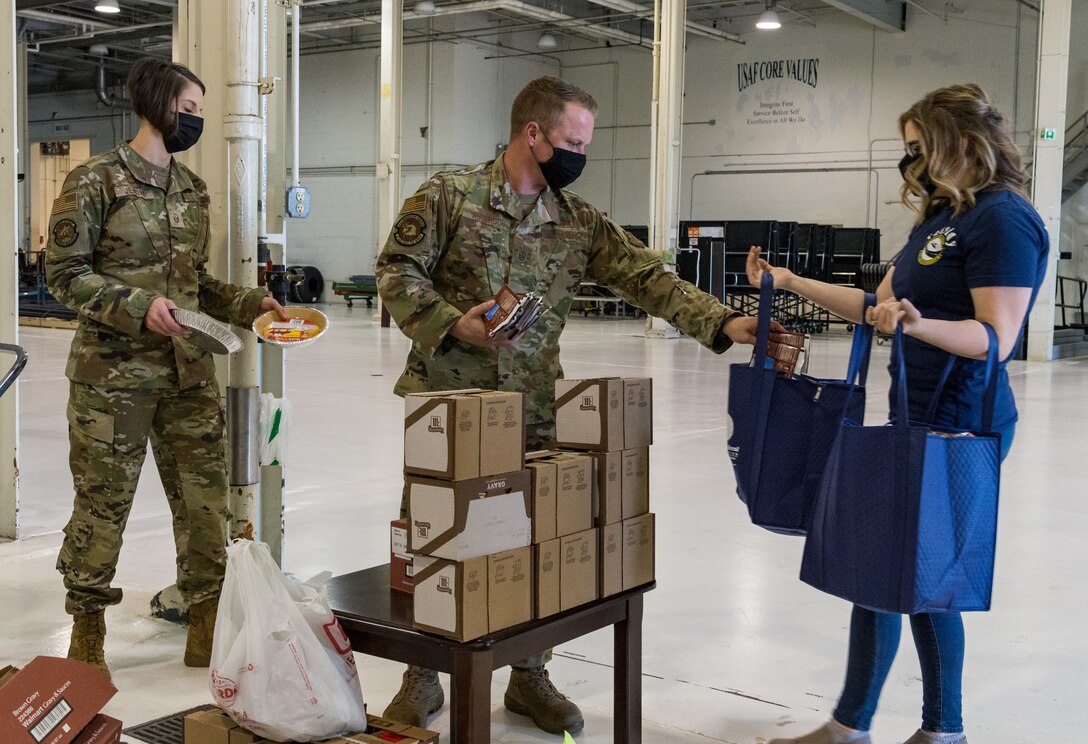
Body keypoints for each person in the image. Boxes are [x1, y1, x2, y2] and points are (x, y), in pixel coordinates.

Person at [376, 75, 766, 734]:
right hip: (450, 402)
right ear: (534, 133)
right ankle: (423, 675)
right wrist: (453, 322)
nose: (580, 155)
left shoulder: (577, 221)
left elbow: (647, 276)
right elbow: (395, 269)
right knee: (433, 536)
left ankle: (529, 676)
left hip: (532, 407)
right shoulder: (449, 196)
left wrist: (722, 323)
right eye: (573, 142)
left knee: (532, 541)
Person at [747, 84, 1048, 744]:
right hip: (910, 414)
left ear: (958, 141)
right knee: (875, 568)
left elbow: (995, 337)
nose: (912, 161)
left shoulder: (1003, 219)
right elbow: (873, 305)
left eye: (920, 146)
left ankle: (944, 731)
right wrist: (792, 283)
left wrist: (916, 325)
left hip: (963, 420)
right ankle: (850, 725)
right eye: (906, 148)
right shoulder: (937, 220)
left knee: (926, 578)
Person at [45, 57, 285, 680]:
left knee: (207, 505)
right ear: (158, 103)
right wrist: (137, 307)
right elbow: (64, 276)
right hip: (113, 381)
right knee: (104, 505)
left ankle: (205, 618)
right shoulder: (94, 180)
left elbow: (197, 285)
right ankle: (88, 625)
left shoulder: (192, 189)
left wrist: (250, 304)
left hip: (188, 376)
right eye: (192, 109)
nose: (196, 121)